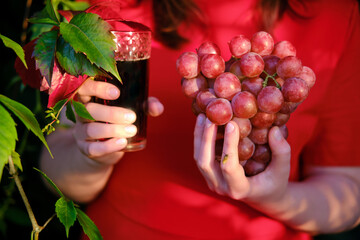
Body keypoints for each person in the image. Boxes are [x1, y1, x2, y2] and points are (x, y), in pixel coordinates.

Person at [39, 0, 360, 239]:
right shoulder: (106, 10)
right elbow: (57, 170)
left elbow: (349, 192)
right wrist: (93, 156)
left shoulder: (337, 15)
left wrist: (280, 199)